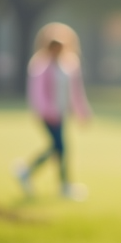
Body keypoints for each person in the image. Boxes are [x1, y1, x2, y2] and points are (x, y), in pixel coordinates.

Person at [15, 22, 92, 200]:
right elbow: (37, 94)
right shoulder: (40, 66)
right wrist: (46, 112)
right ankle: (54, 181)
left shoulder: (69, 65)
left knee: (59, 148)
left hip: (61, 113)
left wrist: (83, 112)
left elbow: (76, 93)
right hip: (49, 115)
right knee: (60, 148)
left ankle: (31, 172)